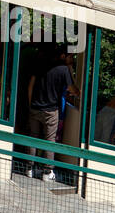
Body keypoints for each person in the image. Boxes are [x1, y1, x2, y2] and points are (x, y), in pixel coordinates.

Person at [26, 47, 79, 181]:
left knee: (33, 137)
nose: (72, 59)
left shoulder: (41, 64)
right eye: (70, 56)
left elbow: (30, 86)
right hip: (51, 111)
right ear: (63, 56)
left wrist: (31, 103)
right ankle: (47, 172)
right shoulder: (64, 69)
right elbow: (72, 89)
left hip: (35, 107)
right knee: (50, 140)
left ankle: (29, 168)